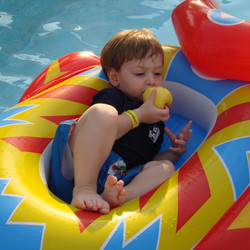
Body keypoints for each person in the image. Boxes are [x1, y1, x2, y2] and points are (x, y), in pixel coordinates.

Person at [49, 28, 192, 214]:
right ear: (115, 77)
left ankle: (119, 197)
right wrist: (139, 116)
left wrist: (173, 153)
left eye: (157, 74)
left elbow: (145, 160)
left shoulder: (156, 122)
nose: (151, 81)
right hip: (78, 171)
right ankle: (84, 189)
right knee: (103, 113)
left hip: (117, 178)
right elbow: (104, 129)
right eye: (140, 74)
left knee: (165, 168)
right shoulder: (114, 98)